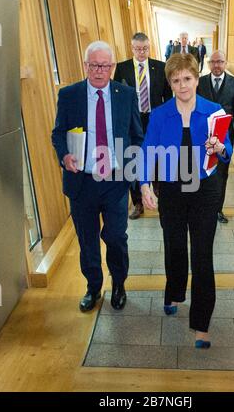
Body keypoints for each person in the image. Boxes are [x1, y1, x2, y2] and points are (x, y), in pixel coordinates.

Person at [139, 53, 232, 348]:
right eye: (176, 80)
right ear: (170, 82)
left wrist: (220, 146)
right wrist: (144, 185)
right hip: (172, 191)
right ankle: (175, 292)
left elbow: (227, 148)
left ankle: (201, 324)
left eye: (188, 79)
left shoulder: (214, 111)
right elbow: (147, 152)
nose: (183, 86)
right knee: (175, 247)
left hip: (206, 190)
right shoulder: (159, 115)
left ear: (196, 78)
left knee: (202, 256)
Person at [52, 41, 143, 312]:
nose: (99, 71)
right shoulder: (70, 95)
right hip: (82, 182)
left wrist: (132, 172)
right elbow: (58, 133)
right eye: (94, 65)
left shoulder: (126, 95)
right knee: (87, 239)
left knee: (116, 236)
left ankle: (118, 283)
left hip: (115, 180)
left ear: (112, 67)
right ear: (85, 66)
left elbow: (136, 135)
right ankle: (93, 287)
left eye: (104, 65)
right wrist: (65, 156)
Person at [114, 32, 172, 219]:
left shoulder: (159, 67)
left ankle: (158, 195)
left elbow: (167, 97)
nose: (142, 52)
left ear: (149, 47)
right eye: (138, 49)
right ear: (132, 48)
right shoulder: (122, 69)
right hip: (132, 121)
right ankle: (138, 203)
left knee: (157, 156)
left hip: (154, 119)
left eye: (145, 48)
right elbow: (117, 96)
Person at [197, 50, 234, 223]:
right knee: (205, 169)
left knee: (222, 173)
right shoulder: (200, 82)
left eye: (220, 61)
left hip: (225, 136)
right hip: (203, 135)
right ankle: (202, 207)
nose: (217, 65)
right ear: (209, 64)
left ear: (226, 63)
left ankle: (217, 210)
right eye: (213, 62)